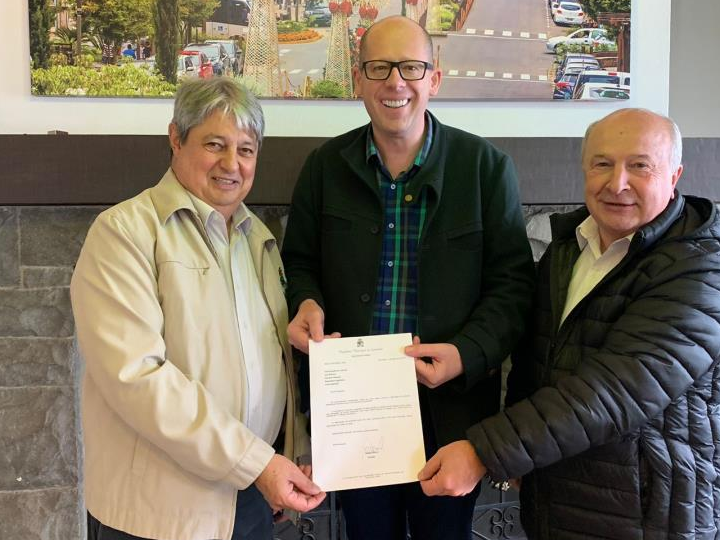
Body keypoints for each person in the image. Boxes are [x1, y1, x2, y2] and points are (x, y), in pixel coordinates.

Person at [281, 15, 536, 540]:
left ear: (434, 79)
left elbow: (513, 288)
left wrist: (465, 354)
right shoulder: (324, 168)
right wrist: (306, 302)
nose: (395, 81)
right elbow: (299, 263)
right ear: (358, 80)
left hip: (452, 418)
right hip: (354, 415)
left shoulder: (485, 168)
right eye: (379, 68)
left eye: (411, 67)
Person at [418, 108, 720, 539]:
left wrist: (487, 451)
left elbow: (617, 389)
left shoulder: (700, 267)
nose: (617, 183)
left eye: (640, 165)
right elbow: (534, 359)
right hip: (555, 500)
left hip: (646, 513)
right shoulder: (568, 246)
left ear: (674, 176)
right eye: (602, 164)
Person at [70, 77, 325, 540]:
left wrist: (292, 449)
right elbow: (137, 377)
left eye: (246, 150)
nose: (232, 164)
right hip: (161, 513)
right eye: (214, 145)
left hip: (250, 497)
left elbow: (272, 365)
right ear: (176, 138)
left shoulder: (258, 239)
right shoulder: (124, 233)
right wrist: (258, 463)